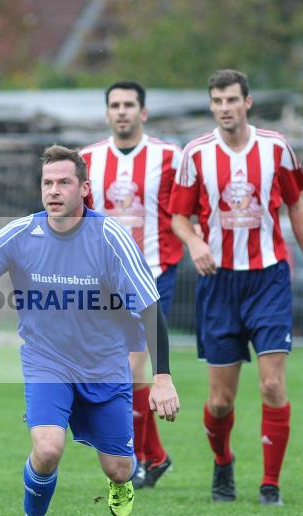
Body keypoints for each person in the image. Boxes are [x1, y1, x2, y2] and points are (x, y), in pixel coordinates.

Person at [0, 145, 180, 516]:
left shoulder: (110, 237)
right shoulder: (20, 233)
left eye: (64, 182)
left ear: (84, 188)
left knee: (119, 469)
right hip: (47, 362)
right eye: (47, 183)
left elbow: (150, 309)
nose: (54, 190)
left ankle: (121, 484)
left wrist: (162, 377)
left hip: (104, 366)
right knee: (47, 449)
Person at [169, 70, 303, 506]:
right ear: (211, 105)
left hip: (269, 279)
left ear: (248, 102)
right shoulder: (195, 154)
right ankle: (223, 462)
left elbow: (296, 205)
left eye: (232, 99)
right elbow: (178, 216)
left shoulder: (276, 147)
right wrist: (196, 242)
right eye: (217, 100)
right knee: (220, 402)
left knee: (273, 386)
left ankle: (270, 484)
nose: (225, 107)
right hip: (218, 284)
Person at [81, 81, 184, 490]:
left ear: (143, 112)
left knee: (130, 368)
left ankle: (136, 461)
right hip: (107, 283)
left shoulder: (170, 157)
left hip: (156, 273)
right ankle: (154, 456)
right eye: (114, 105)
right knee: (123, 373)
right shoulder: (88, 159)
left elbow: (185, 209)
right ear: (107, 113)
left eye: (129, 105)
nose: (121, 111)